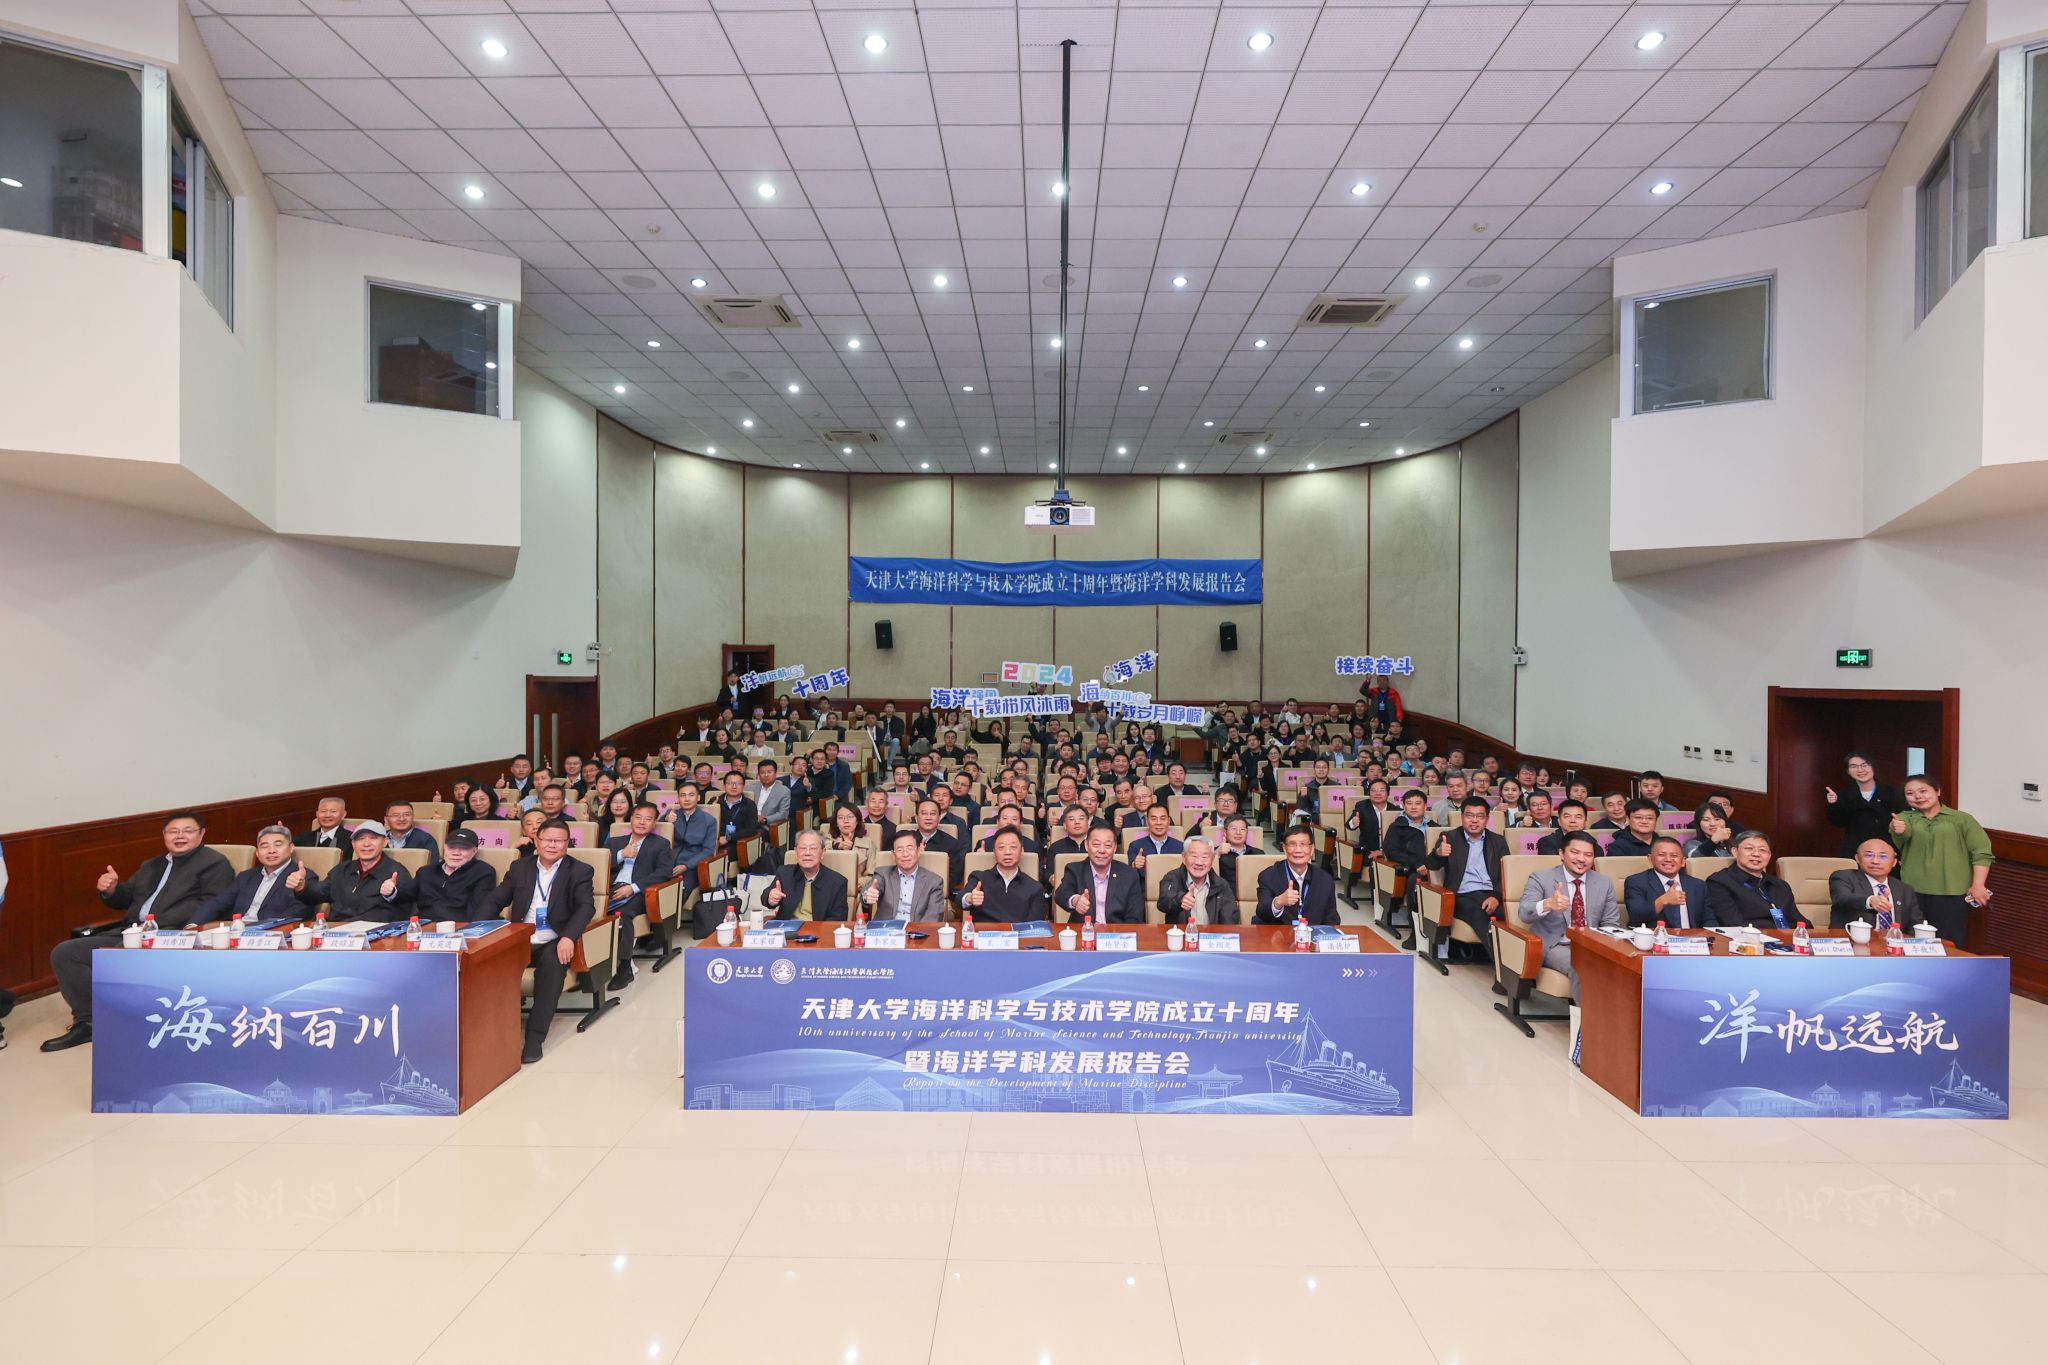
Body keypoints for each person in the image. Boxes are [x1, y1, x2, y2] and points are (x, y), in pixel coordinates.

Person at [43, 811, 234, 1051]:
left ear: (202, 834)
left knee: (120, 955)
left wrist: (160, 924)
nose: (180, 836)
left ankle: (128, 1023)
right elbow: (127, 899)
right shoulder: (152, 864)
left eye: (188, 831)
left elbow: (214, 905)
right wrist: (112, 890)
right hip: (132, 931)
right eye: (173, 831)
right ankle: (89, 1021)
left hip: (172, 935)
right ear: (164, 835)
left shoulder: (214, 863)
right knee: (65, 953)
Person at [485, 821, 595, 1063]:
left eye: (559, 841)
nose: (552, 845)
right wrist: (479, 929)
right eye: (547, 840)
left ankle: (534, 1039)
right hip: (520, 937)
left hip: (554, 939)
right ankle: (491, 1033)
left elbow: (586, 907)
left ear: (567, 844)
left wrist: (568, 937)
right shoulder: (520, 866)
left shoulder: (580, 870)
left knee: (552, 966)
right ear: (536, 840)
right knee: (487, 963)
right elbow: (496, 899)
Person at [1889, 775, 1993, 944]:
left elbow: (1981, 853)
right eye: (1910, 793)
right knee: (1911, 941)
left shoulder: (1962, 819)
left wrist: (1978, 884)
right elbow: (1902, 833)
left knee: (1948, 943)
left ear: (1937, 791)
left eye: (1923, 791)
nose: (1918, 796)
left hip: (1952, 891)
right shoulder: (1904, 818)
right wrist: (1898, 829)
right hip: (1912, 890)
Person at [1516, 832, 1619, 999]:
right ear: (1561, 854)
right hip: (1556, 945)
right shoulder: (1541, 878)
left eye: (1588, 855)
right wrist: (1548, 904)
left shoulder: (1603, 882)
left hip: (1591, 945)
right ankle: (1588, 1016)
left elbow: (1611, 923)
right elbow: (1524, 913)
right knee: (1584, 967)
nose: (1581, 859)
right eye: (1575, 852)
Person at [604, 802, 676, 985]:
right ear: (631, 819)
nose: (642, 822)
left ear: (654, 823)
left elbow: (664, 873)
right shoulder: (614, 842)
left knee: (621, 915)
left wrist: (633, 887)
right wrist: (621, 854)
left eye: (648, 819)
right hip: (610, 890)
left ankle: (625, 967)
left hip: (640, 893)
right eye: (638, 817)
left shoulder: (660, 844)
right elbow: (599, 867)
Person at [1425, 796, 1508, 954]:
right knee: (1478, 914)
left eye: (1480, 816)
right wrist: (1438, 854)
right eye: (1469, 815)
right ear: (1462, 817)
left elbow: (1506, 875)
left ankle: (1521, 959)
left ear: (1487, 819)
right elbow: (1431, 865)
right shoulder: (1449, 838)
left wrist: (1496, 897)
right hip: (1462, 895)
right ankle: (1503, 962)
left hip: (1490, 894)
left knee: (1513, 914)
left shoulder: (1498, 841)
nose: (1474, 820)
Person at [195, 825, 324, 924]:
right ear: (257, 853)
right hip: (236, 931)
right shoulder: (246, 876)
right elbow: (218, 903)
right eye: (265, 846)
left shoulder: (303, 877)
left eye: (278, 845)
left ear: (291, 848)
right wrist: (193, 925)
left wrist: (255, 928)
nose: (271, 851)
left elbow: (299, 913)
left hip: (272, 935)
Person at [1703, 831, 1807, 930]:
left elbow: (1799, 921)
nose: (1756, 854)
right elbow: (1733, 924)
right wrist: (1779, 929)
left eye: (1762, 850)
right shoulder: (1719, 882)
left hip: (1787, 939)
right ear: (1735, 851)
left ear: (1769, 856)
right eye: (1749, 848)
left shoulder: (1780, 885)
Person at [317, 821, 416, 921]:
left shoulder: (396, 872)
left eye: (373, 838)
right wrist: (306, 885)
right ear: (353, 844)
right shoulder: (342, 870)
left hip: (373, 928)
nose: (366, 844)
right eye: (361, 839)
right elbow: (320, 892)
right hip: (336, 928)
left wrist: (392, 894)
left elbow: (403, 906)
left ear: (385, 842)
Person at [1054, 824, 1147, 925]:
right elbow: (1061, 894)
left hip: (1116, 932)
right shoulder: (1075, 870)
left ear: (1115, 848)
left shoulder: (1129, 874)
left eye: (1107, 846)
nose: (1102, 851)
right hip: (1084, 931)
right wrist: (1075, 901)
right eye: (1096, 845)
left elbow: (1134, 916)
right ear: (1086, 845)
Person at [1829, 837, 1924, 933]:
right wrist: (1870, 901)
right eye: (1868, 855)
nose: (1875, 861)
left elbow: (1915, 924)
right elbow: (1842, 898)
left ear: (1894, 862)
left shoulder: (1904, 889)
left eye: (1883, 857)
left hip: (1894, 940)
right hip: (1852, 939)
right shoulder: (1844, 877)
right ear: (1857, 858)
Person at [1824, 752, 1907, 857]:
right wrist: (1834, 803)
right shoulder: (1844, 795)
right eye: (1854, 766)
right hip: (1855, 850)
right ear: (1848, 771)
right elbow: (1838, 822)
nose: (1860, 770)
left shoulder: (1892, 793)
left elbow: (1905, 818)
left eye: (1864, 765)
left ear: (1873, 767)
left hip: (1885, 849)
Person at [959, 828, 1046, 924]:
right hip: (984, 932)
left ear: (1021, 852)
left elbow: (1035, 925)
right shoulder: (979, 878)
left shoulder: (1035, 888)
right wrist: (970, 898)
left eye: (1013, 847)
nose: (1007, 852)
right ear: (994, 852)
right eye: (1001, 847)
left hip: (1019, 933)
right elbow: (959, 899)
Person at [1255, 826, 1339, 926]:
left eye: (1303, 844)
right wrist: (1278, 902)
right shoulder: (1268, 876)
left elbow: (1332, 919)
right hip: (1278, 934)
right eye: (1292, 844)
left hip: (1313, 934)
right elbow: (1262, 913)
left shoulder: (1325, 879)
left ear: (1312, 849)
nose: (1298, 850)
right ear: (1284, 849)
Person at [859, 829, 949, 922]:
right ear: (893, 855)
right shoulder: (883, 874)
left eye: (910, 848)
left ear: (918, 851)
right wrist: (867, 896)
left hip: (917, 929)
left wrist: (916, 930)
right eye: (900, 850)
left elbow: (934, 915)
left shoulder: (934, 881)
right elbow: (869, 891)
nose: (905, 854)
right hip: (885, 928)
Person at [1622, 837, 1708, 930]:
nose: (1668, 859)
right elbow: (1636, 916)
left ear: (1683, 861)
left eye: (1674, 855)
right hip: (1655, 937)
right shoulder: (1636, 882)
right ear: (1650, 859)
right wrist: (1663, 901)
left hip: (1693, 937)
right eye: (1661, 855)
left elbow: (1709, 920)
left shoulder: (1698, 885)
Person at [414, 827, 500, 920]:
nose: (456, 853)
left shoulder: (483, 872)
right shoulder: (426, 872)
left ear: (474, 851)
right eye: (451, 847)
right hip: (423, 925)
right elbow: (407, 893)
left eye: (464, 848)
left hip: (459, 925)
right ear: (444, 847)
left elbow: (478, 911)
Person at [767, 830, 852, 921]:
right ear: (796, 852)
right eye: (803, 848)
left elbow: (838, 918)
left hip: (819, 928)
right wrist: (770, 899)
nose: (807, 853)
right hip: (787, 928)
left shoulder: (837, 882)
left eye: (813, 848)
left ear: (823, 853)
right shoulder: (784, 873)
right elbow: (766, 896)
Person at [1159, 836, 1236, 926]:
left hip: (1211, 934)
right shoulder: (1172, 878)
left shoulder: (1221, 885)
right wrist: (1180, 899)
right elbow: (1163, 902)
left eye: (1204, 857)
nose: (1199, 862)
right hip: (1181, 933)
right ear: (1184, 858)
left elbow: (1230, 920)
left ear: (1212, 859)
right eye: (1194, 856)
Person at [671, 781, 718, 890]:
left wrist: (686, 865)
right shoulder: (672, 814)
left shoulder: (709, 820)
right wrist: (666, 821)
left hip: (692, 866)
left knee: (679, 890)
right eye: (683, 795)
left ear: (698, 797)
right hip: (668, 862)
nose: (687, 799)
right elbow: (657, 835)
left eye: (691, 795)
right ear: (678, 798)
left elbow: (708, 850)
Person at [712, 769, 760, 858]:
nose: (734, 786)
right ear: (724, 786)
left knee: (720, 854)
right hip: (714, 841)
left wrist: (729, 837)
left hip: (737, 842)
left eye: (738, 783)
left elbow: (751, 829)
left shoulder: (750, 804)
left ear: (743, 786)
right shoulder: (715, 801)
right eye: (730, 783)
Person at [1128, 804, 1183, 872]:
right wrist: (1134, 864)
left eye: (1163, 818)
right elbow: (1128, 870)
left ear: (1169, 821)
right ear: (1147, 821)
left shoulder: (1181, 847)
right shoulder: (1135, 846)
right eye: (1154, 819)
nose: (1158, 823)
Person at [755, 758, 791, 827]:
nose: (766, 775)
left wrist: (765, 819)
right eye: (762, 772)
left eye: (769, 772)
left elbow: (783, 813)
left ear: (775, 774)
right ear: (758, 775)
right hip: (748, 823)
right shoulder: (750, 788)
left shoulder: (784, 791)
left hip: (768, 826)